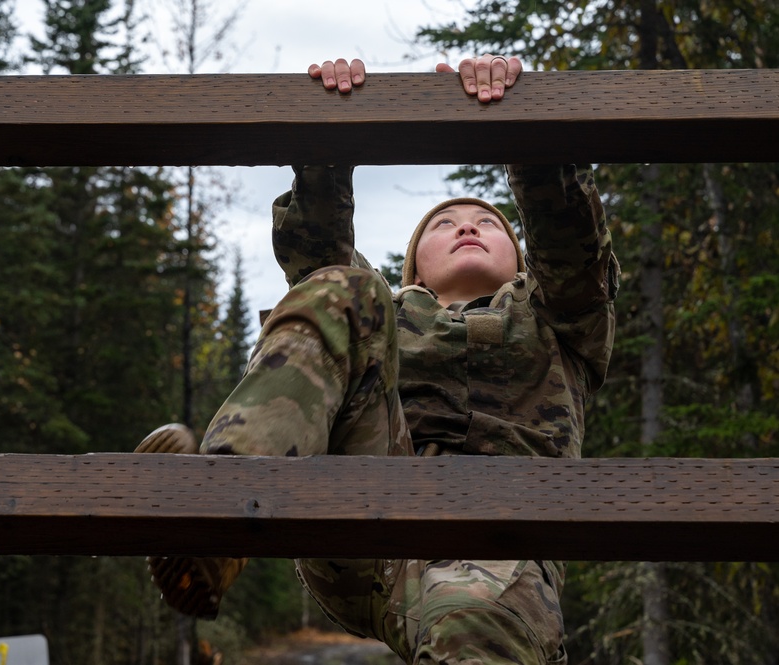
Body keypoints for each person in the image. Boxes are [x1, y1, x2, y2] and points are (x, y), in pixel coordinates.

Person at [137, 54, 619, 665]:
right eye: (445, 223)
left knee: (472, 615)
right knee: (340, 287)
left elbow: (571, 247)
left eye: (488, 223)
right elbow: (318, 263)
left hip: (506, 546)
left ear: (523, 263)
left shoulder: (561, 322)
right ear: (415, 266)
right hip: (369, 525)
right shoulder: (384, 312)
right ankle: (212, 517)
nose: (467, 227)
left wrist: (513, 117)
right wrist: (331, 129)